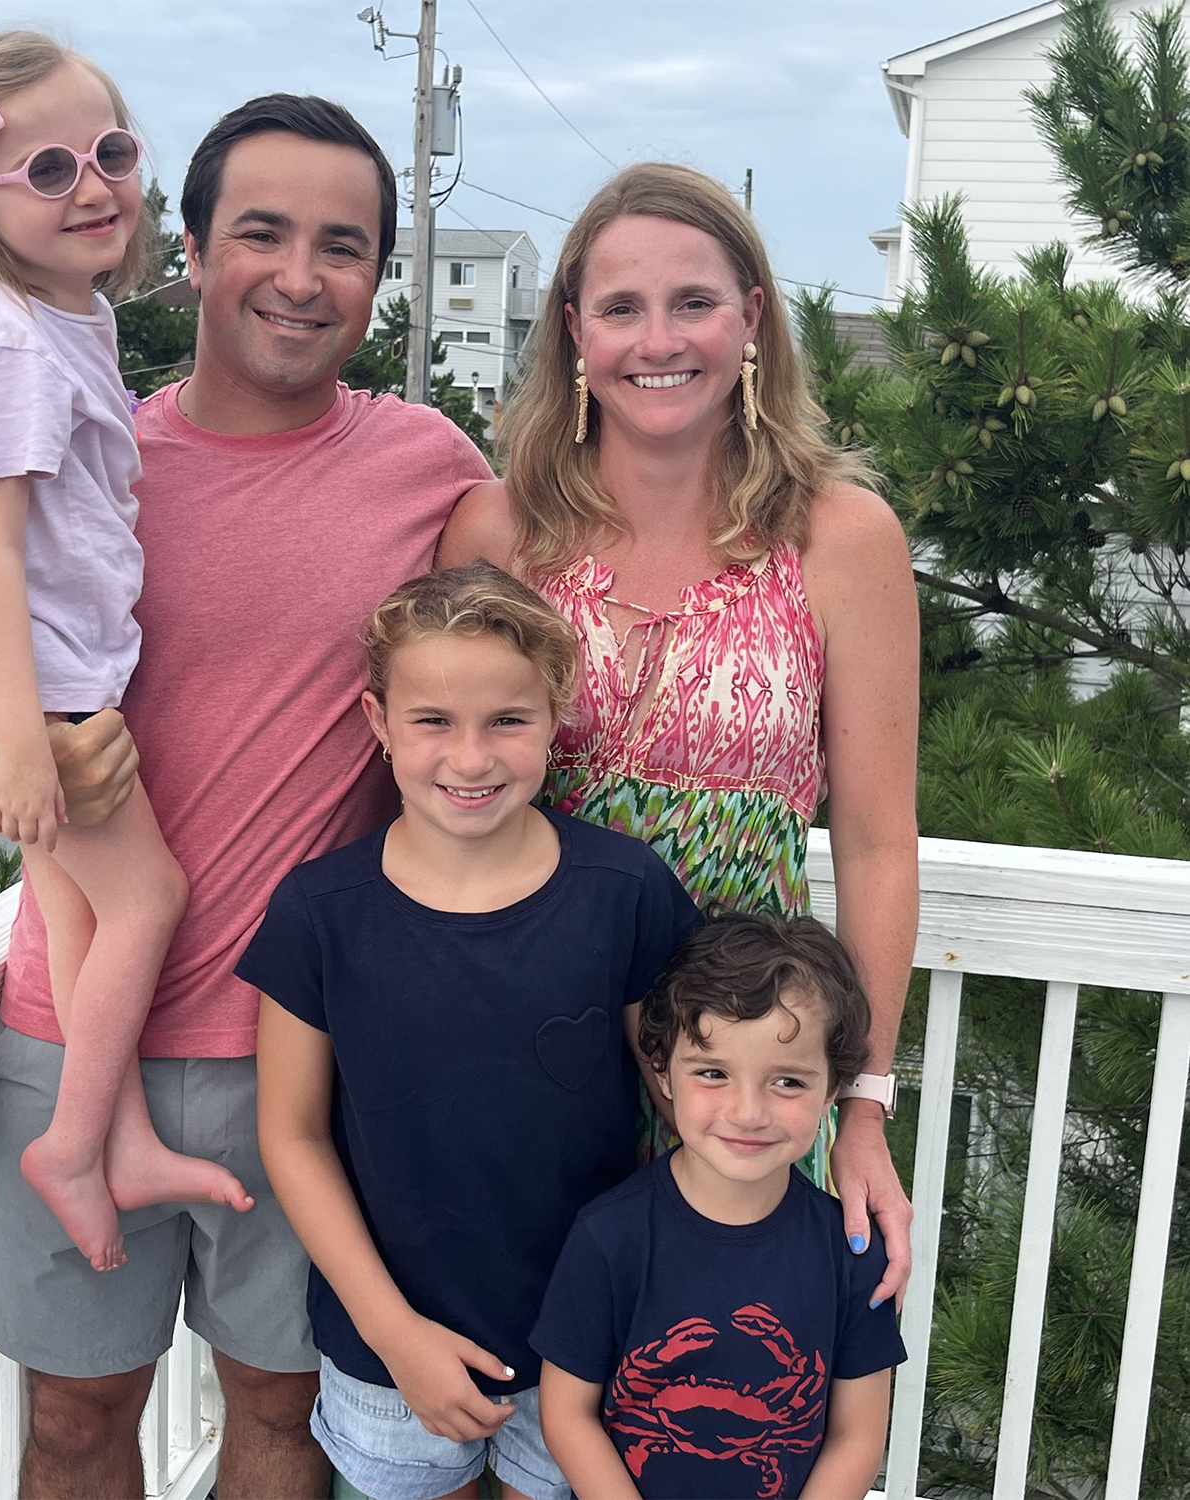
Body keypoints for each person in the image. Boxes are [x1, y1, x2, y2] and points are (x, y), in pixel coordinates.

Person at [0, 94, 496, 1499]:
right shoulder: (80, 449)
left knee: (279, 1419)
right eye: (263, 233)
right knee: (73, 1423)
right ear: (190, 246)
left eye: (343, 245)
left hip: (301, 1051)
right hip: (71, 1033)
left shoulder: (433, 471)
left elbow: (539, 674)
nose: (301, 275)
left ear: (379, 275)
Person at [438, 163, 919, 1305]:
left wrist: (862, 1100)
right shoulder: (500, 529)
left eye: (694, 302)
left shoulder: (841, 538)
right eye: (621, 308)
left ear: (752, 315)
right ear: (573, 331)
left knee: (698, 1392)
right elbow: (428, 791)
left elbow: (877, 840)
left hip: (742, 1069)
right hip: (522, 1045)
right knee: (499, 1389)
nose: (660, 340)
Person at [0, 30, 252, 1275]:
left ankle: (112, 1129)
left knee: (80, 899)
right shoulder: (8, 342)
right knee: (148, 895)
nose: (92, 185)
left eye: (112, 152)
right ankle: (78, 1146)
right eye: (45, 170)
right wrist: (22, 752)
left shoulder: (52, 315)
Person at [249, 564, 701, 1500]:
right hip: (391, 1349)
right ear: (377, 723)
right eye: (432, 723)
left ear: (555, 717)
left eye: (507, 721)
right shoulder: (319, 913)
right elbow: (290, 1133)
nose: (471, 757)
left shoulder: (625, 892)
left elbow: (682, 1106)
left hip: (586, 1339)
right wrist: (393, 1333)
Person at [531, 911, 906, 1500]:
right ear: (664, 1072)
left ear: (834, 1086)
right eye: (713, 1072)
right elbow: (566, 1415)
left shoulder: (853, 1255)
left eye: (788, 1081)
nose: (748, 1112)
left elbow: (857, 1436)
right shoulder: (609, 1238)